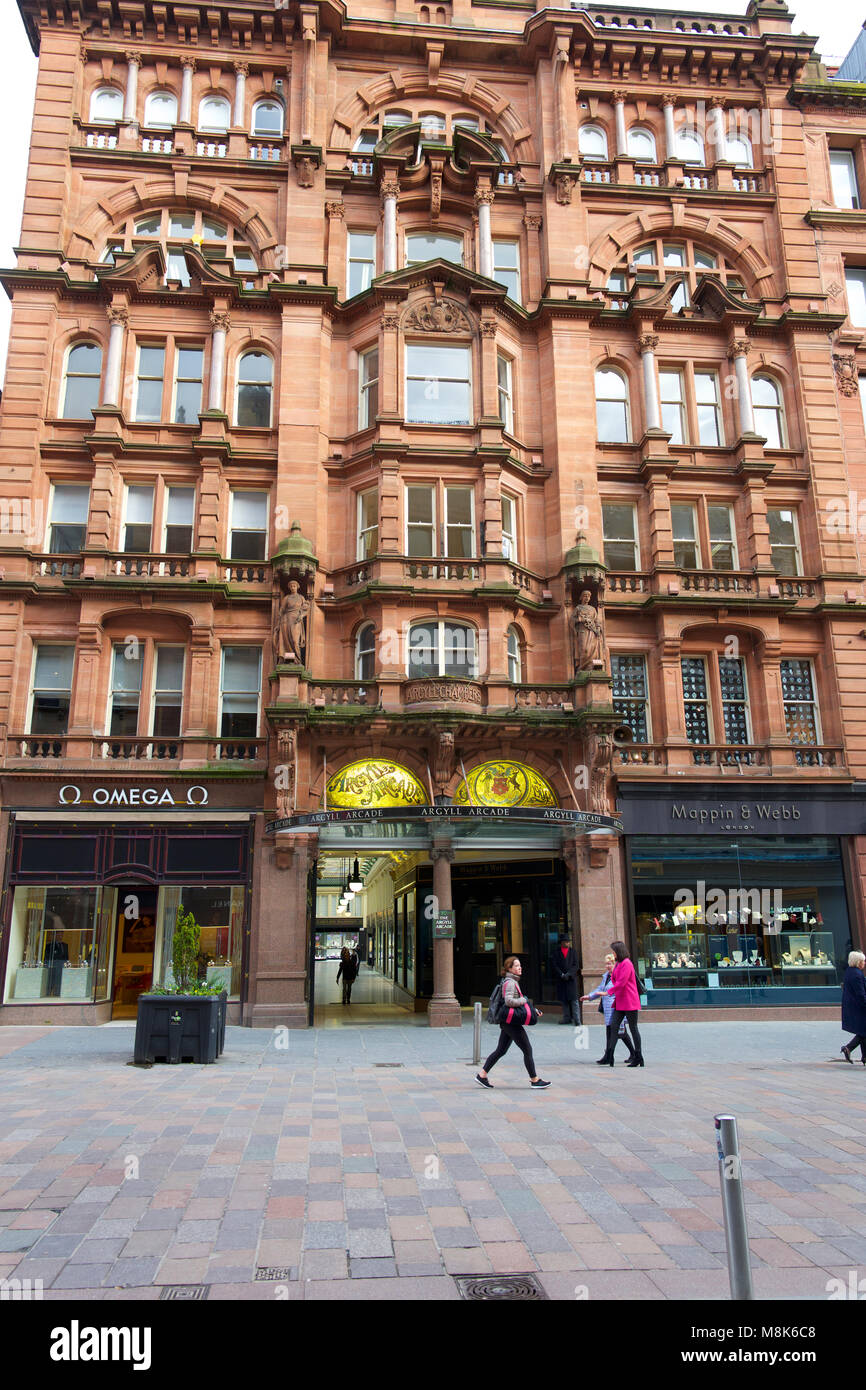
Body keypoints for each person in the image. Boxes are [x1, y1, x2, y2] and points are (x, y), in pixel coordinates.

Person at [476, 956, 550, 1089]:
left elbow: (517, 1002)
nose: (519, 967)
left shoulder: (511, 981)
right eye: (516, 966)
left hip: (508, 1022)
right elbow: (509, 1001)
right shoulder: (510, 982)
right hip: (511, 1023)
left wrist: (533, 1009)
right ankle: (534, 1080)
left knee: (501, 1050)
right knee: (527, 1049)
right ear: (509, 968)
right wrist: (525, 1000)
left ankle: (482, 1075)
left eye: (520, 965)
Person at [581, 951, 635, 1065]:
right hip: (608, 1008)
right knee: (613, 1032)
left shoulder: (619, 975)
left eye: (610, 963)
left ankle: (621, 1055)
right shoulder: (606, 976)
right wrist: (589, 996)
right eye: (606, 964)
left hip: (617, 1008)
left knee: (620, 1033)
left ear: (615, 964)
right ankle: (611, 1055)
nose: (607, 966)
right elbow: (600, 989)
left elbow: (617, 989)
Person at [598, 940, 644, 1068]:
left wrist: (608, 992)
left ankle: (638, 1056)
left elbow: (621, 982)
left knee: (633, 1028)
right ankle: (610, 1054)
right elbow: (614, 978)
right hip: (620, 1001)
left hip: (629, 1001)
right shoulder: (618, 964)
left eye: (614, 951)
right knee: (614, 1026)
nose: (613, 954)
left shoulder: (627, 964)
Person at [840, 950, 866, 1064]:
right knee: (864, 1031)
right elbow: (860, 994)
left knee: (863, 1031)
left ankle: (862, 1055)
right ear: (858, 962)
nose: (864, 963)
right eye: (863, 961)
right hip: (858, 1007)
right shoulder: (857, 974)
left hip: (852, 1006)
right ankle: (849, 1048)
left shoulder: (849, 972)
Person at [549, 933, 580, 1025]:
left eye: (568, 941)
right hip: (561, 979)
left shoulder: (573, 952)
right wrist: (561, 974)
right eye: (566, 941)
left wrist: (569, 974)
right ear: (561, 942)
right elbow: (554, 965)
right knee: (564, 1000)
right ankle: (567, 1018)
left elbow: (576, 965)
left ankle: (577, 1019)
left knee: (574, 1000)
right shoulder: (556, 952)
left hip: (571, 979)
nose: (567, 943)